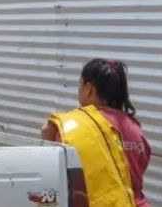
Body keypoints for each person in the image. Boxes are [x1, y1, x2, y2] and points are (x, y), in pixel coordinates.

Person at [41, 59, 151, 207]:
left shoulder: (74, 129)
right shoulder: (136, 129)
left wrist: (47, 138)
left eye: (80, 85)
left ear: (88, 89)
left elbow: (54, 178)